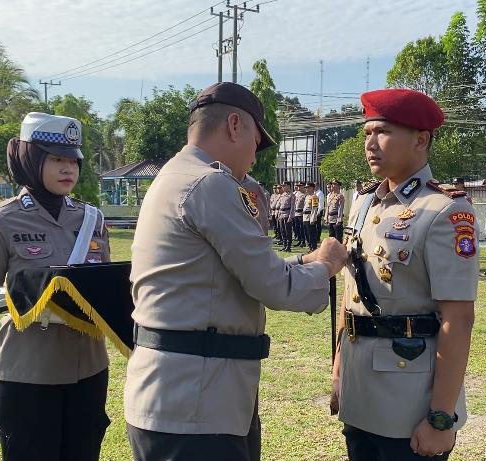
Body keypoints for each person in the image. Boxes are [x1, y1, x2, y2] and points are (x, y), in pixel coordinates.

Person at [124, 82, 348, 461]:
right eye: (256, 143)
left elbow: (228, 275)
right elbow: (274, 286)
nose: (254, 156)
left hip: (182, 394)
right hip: (198, 401)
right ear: (233, 126)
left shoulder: (174, 176)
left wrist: (304, 262)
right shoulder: (210, 184)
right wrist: (326, 265)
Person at [332, 88, 478, 460]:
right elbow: (351, 295)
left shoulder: (445, 210)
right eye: (366, 133)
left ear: (421, 139)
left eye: (382, 132)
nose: (370, 143)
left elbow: (457, 319)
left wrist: (441, 417)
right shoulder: (364, 203)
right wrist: (338, 373)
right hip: (359, 388)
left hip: (409, 404)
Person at [0, 112, 112, 461]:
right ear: (32, 159)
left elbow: (103, 282)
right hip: (29, 372)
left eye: (74, 161)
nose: (69, 169)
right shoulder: (1, 219)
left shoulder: (91, 218)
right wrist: (30, 296)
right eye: (57, 159)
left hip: (88, 368)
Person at [277, 181, 294, 251]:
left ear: (288, 186)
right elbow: (280, 205)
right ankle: (284, 245)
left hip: (287, 214)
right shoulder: (283, 195)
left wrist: (290, 216)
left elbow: (292, 207)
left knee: (288, 231)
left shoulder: (292, 195)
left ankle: (288, 246)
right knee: (282, 230)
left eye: (284, 186)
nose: (283, 187)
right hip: (281, 214)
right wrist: (278, 214)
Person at [293, 182, 306, 247]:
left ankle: (303, 241)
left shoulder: (305, 194)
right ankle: (299, 240)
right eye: (298, 186)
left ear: (303, 186)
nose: (298, 187)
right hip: (296, 213)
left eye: (300, 186)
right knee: (297, 228)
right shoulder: (297, 194)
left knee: (302, 228)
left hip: (301, 213)